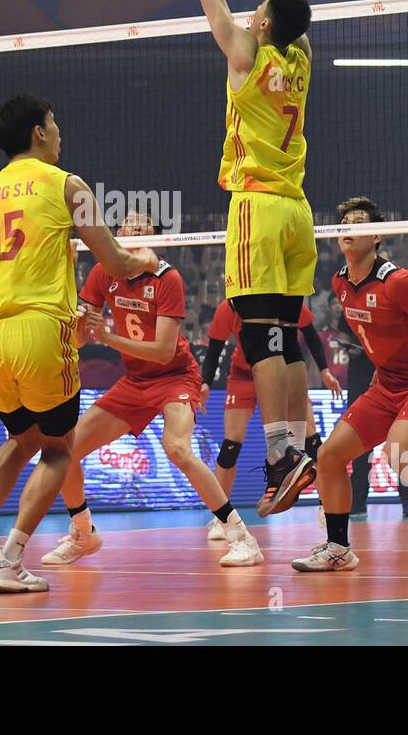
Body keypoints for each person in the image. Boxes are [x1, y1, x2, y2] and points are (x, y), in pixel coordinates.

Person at [0, 93, 158, 595]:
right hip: (39, 327)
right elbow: (117, 263)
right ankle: (9, 560)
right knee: (59, 448)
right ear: (38, 132)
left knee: (20, 440)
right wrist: (146, 259)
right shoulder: (67, 184)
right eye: (55, 124)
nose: (60, 133)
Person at [183, 0, 318, 523]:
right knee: (286, 335)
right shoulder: (299, 58)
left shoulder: (248, 55)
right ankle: (299, 447)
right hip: (298, 212)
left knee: (259, 337)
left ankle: (281, 459)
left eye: (261, 8)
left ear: (263, 22)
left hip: (258, 206)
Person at [269, 197, 408, 573]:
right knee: (330, 456)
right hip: (385, 384)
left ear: (378, 236)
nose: (349, 230)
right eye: (344, 224)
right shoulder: (339, 281)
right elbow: (372, 330)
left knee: (399, 455)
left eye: (358, 223)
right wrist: (380, 365)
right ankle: (338, 548)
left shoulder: (399, 282)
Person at [40, 213, 263, 568]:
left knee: (177, 448)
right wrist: (83, 324)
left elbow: (162, 350)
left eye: (143, 228)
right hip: (135, 381)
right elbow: (81, 340)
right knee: (64, 451)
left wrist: (110, 338)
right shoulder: (102, 273)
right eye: (128, 225)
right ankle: (83, 532)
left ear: (156, 240)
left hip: (175, 376)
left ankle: (240, 536)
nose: (133, 230)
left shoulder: (167, 279)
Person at [198, 295, 341, 536]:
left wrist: (324, 370)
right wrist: (205, 384)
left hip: (282, 371)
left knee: (312, 442)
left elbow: (310, 335)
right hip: (243, 374)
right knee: (230, 446)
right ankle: (221, 517)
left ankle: (325, 506)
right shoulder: (228, 308)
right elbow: (214, 349)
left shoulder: (281, 300)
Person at [341, 318, 408, 519]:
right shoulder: (350, 302)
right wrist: (351, 349)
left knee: (401, 441)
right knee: (360, 443)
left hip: (394, 377)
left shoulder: (392, 305)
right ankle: (358, 502)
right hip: (360, 379)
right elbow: (343, 338)